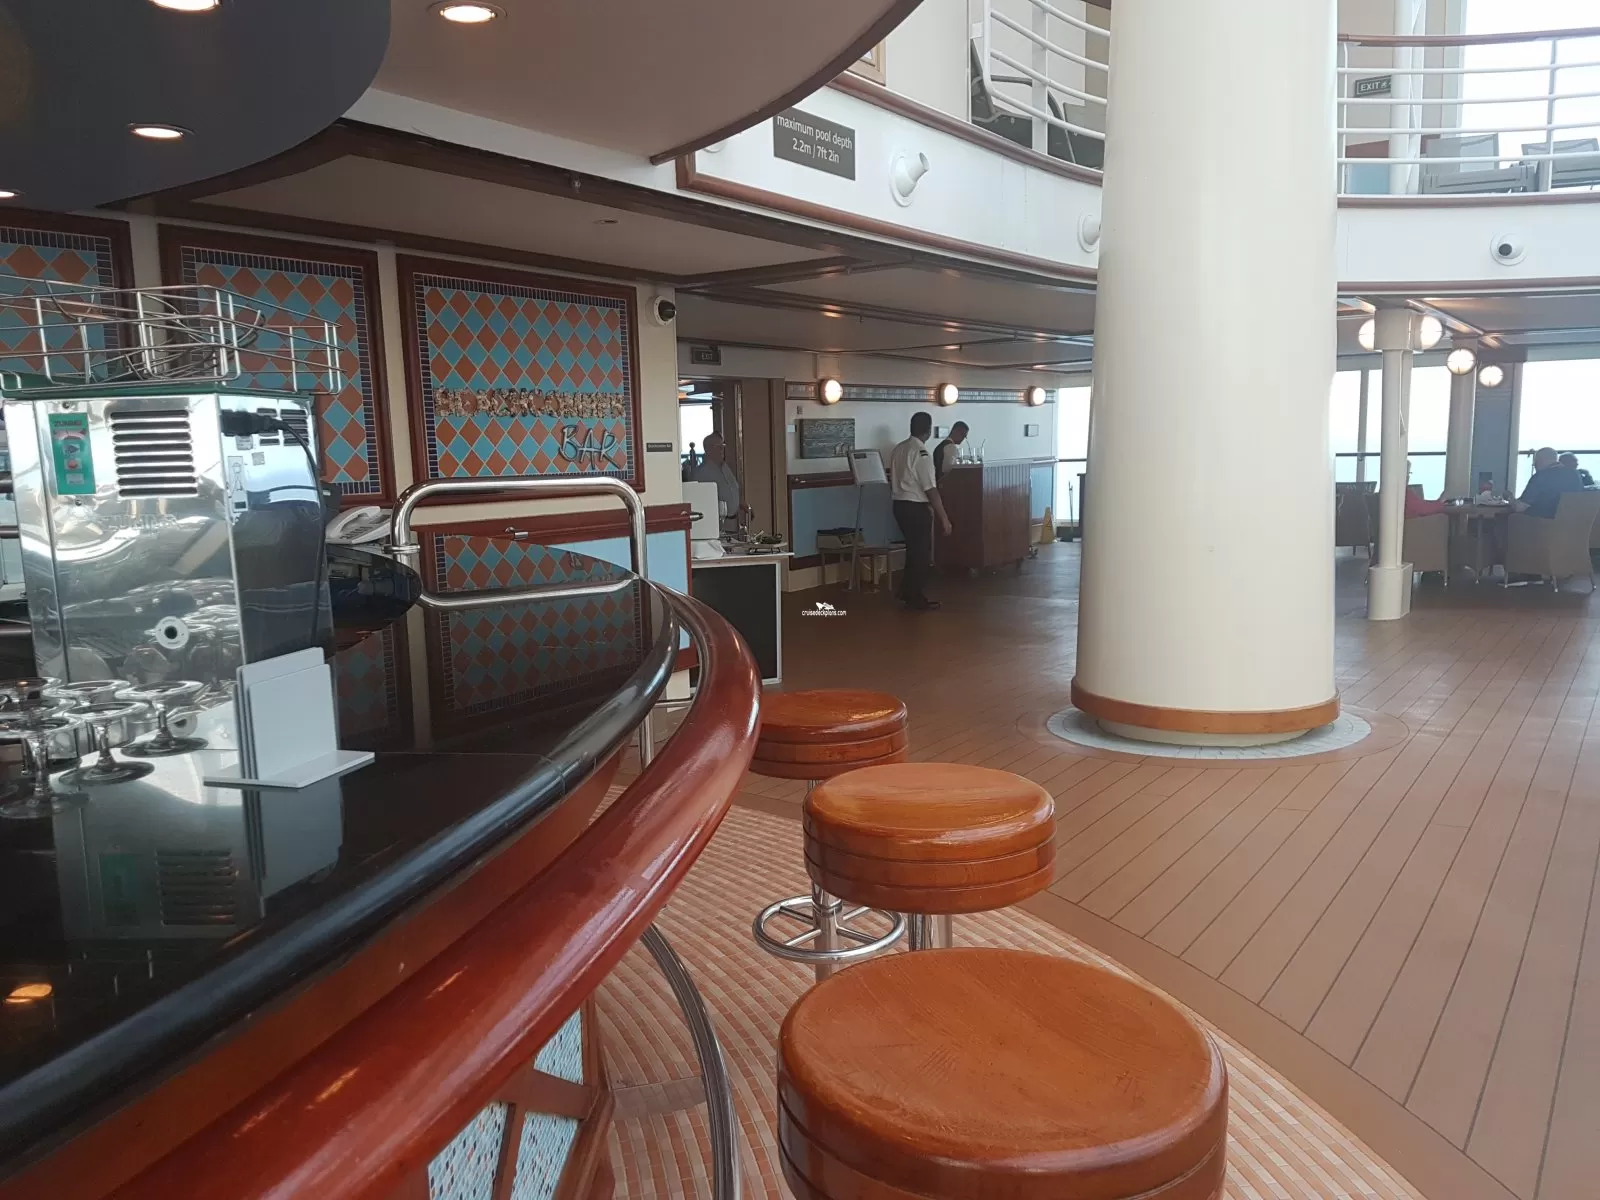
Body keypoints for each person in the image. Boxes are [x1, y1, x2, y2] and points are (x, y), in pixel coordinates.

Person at [888, 412, 953, 611]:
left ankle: (906, 591)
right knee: (921, 554)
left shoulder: (899, 449)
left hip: (899, 505)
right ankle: (916, 597)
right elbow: (930, 489)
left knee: (913, 550)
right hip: (915, 508)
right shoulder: (921, 453)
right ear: (928, 430)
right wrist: (944, 518)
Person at [691, 432, 748, 524]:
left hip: (734, 521)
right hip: (717, 524)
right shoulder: (700, 473)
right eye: (719, 447)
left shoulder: (725, 467)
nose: (722, 450)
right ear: (708, 449)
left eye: (723, 446)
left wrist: (743, 504)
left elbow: (732, 489)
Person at [1516, 446, 1587, 518]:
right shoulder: (1575, 474)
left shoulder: (1541, 476)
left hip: (1542, 521)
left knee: (1513, 518)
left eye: (1535, 462)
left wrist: (1511, 500)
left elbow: (1520, 507)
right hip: (1572, 521)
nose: (1534, 465)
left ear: (1541, 460)